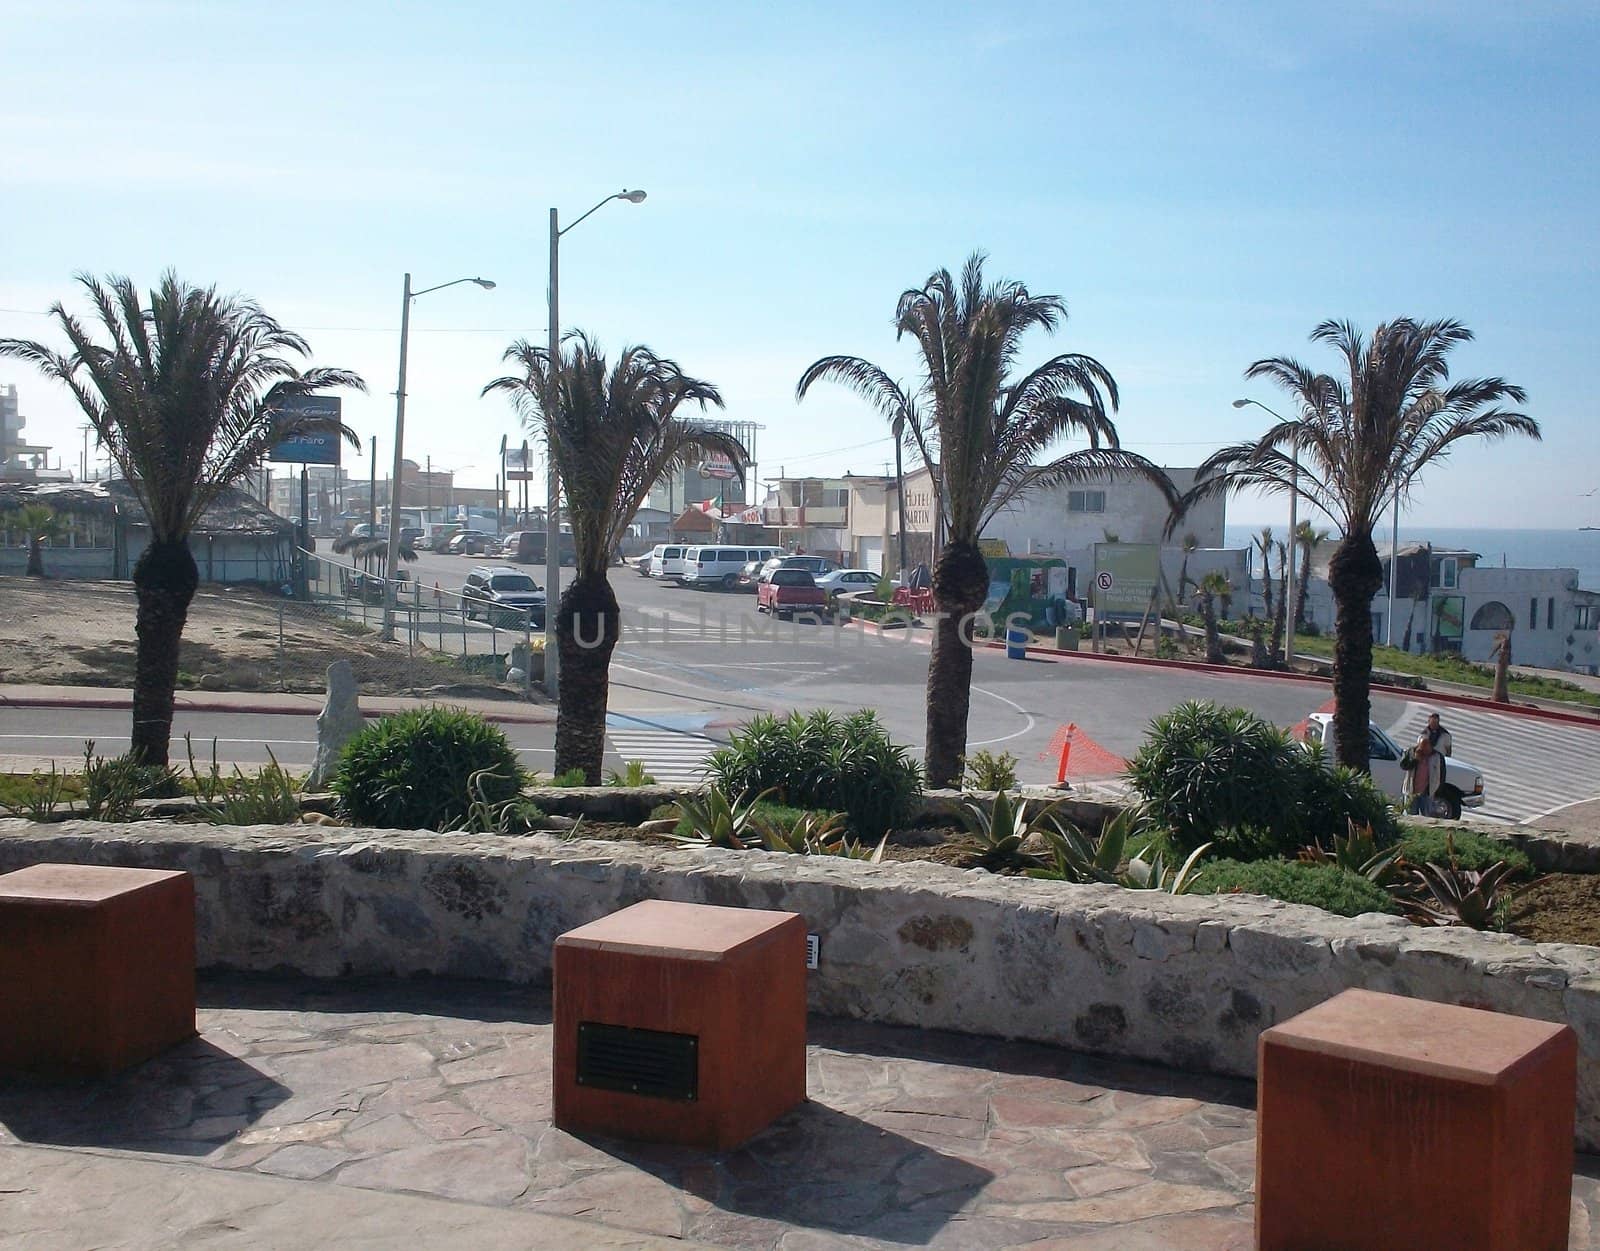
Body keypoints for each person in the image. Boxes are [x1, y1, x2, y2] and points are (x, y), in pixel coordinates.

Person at [1404, 734, 1442, 816]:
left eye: (1426, 746)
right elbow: (1403, 765)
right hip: (1412, 791)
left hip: (1427, 792)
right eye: (1422, 746)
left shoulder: (1436, 756)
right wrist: (1415, 760)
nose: (1424, 749)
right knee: (1411, 816)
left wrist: (1436, 790)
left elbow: (1441, 774)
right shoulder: (1412, 752)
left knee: (1427, 816)